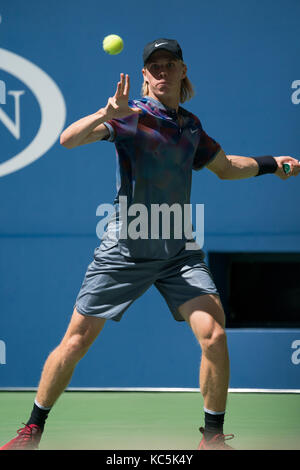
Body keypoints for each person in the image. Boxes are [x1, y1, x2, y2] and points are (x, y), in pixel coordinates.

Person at [1, 38, 299, 451]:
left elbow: (227, 168)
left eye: (169, 65)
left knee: (213, 334)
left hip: (178, 250)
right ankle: (32, 428)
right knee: (76, 340)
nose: (161, 72)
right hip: (126, 247)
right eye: (153, 67)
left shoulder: (191, 127)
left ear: (182, 71)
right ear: (144, 75)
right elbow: (68, 139)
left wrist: (272, 164)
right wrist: (106, 113)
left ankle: (212, 438)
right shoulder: (130, 117)